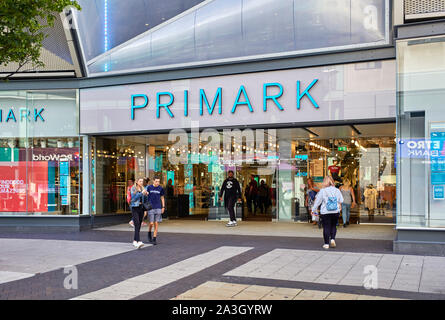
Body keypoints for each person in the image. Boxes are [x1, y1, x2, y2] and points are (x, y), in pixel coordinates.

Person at [311, 176, 344, 249]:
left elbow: (317, 202)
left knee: (326, 227)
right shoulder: (337, 190)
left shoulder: (323, 191)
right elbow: (341, 200)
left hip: (325, 212)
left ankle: (326, 244)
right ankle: (332, 239)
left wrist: (313, 209)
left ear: (325, 182)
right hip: (335, 211)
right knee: (333, 226)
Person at [130, 177, 148, 249]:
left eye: (142, 181)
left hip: (141, 208)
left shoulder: (143, 188)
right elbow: (133, 199)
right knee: (137, 223)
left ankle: (135, 240)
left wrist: (146, 194)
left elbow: (145, 200)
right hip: (135, 207)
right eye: (140, 181)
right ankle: (139, 241)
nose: (141, 182)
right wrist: (141, 194)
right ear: (137, 182)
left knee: (139, 224)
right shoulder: (133, 188)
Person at [146, 176, 165, 245]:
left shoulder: (160, 188)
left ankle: (154, 238)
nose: (157, 183)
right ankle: (149, 233)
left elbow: (162, 198)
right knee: (151, 223)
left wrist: (163, 207)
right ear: (153, 181)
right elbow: (146, 196)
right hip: (151, 207)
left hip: (158, 207)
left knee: (156, 223)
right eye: (156, 181)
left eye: (158, 181)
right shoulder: (149, 187)